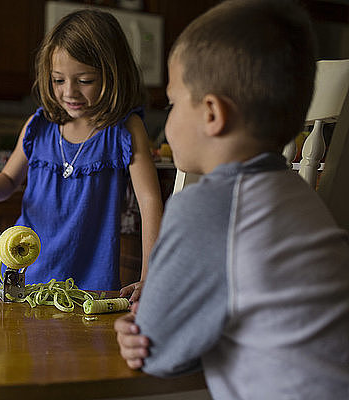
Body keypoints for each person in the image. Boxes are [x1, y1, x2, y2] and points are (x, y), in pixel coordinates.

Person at [114, 0, 349, 398]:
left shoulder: (206, 207)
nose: (166, 121)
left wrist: (136, 331)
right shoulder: (298, 194)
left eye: (171, 104)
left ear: (211, 114)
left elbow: (158, 353)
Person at [0, 9, 163, 296]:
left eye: (85, 80)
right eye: (58, 80)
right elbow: (9, 178)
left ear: (113, 74)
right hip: (23, 275)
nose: (70, 92)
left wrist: (149, 278)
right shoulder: (38, 126)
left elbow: (150, 201)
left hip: (89, 282)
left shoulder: (126, 129)